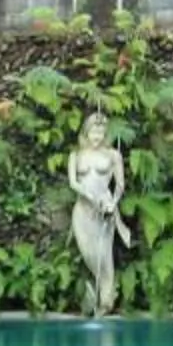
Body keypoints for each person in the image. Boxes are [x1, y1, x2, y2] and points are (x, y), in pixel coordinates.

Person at [65, 112, 131, 315]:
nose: (97, 136)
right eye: (94, 131)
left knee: (104, 255)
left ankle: (105, 301)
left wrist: (112, 202)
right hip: (83, 210)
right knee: (89, 254)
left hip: (104, 209)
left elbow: (120, 185)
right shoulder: (75, 155)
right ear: (86, 131)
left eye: (101, 132)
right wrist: (88, 195)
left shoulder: (113, 155)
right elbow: (73, 183)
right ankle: (99, 295)